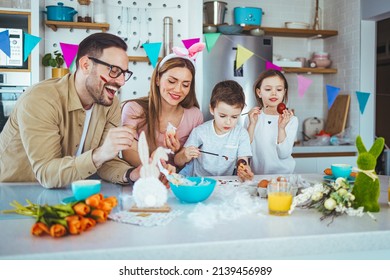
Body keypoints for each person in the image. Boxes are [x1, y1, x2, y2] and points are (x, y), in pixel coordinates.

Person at [0, 33, 139, 188]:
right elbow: (47, 173)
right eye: (113, 70)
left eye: (124, 74)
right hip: (14, 192)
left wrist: (133, 174)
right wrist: (99, 155)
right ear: (86, 65)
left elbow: (105, 160)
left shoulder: (109, 104)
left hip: (67, 192)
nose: (121, 81)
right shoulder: (40, 99)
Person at [121, 43, 204, 174]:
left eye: (185, 84)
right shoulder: (134, 109)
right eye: (172, 81)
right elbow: (128, 150)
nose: (178, 90)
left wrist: (178, 151)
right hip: (143, 180)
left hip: (178, 183)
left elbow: (192, 158)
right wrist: (155, 168)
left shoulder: (195, 116)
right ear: (158, 79)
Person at [174, 80, 254, 181]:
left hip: (224, 183)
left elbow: (242, 160)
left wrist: (244, 168)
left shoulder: (241, 134)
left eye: (234, 117)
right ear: (212, 109)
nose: (228, 122)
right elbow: (177, 161)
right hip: (199, 182)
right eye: (222, 116)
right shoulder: (200, 131)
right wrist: (185, 155)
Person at [245, 69, 298, 174]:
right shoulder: (251, 117)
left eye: (279, 89)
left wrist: (281, 128)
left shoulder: (291, 120)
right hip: (256, 176)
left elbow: (284, 154)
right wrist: (252, 124)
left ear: (284, 92)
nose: (274, 93)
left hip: (283, 177)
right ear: (259, 92)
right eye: (268, 89)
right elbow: (246, 150)